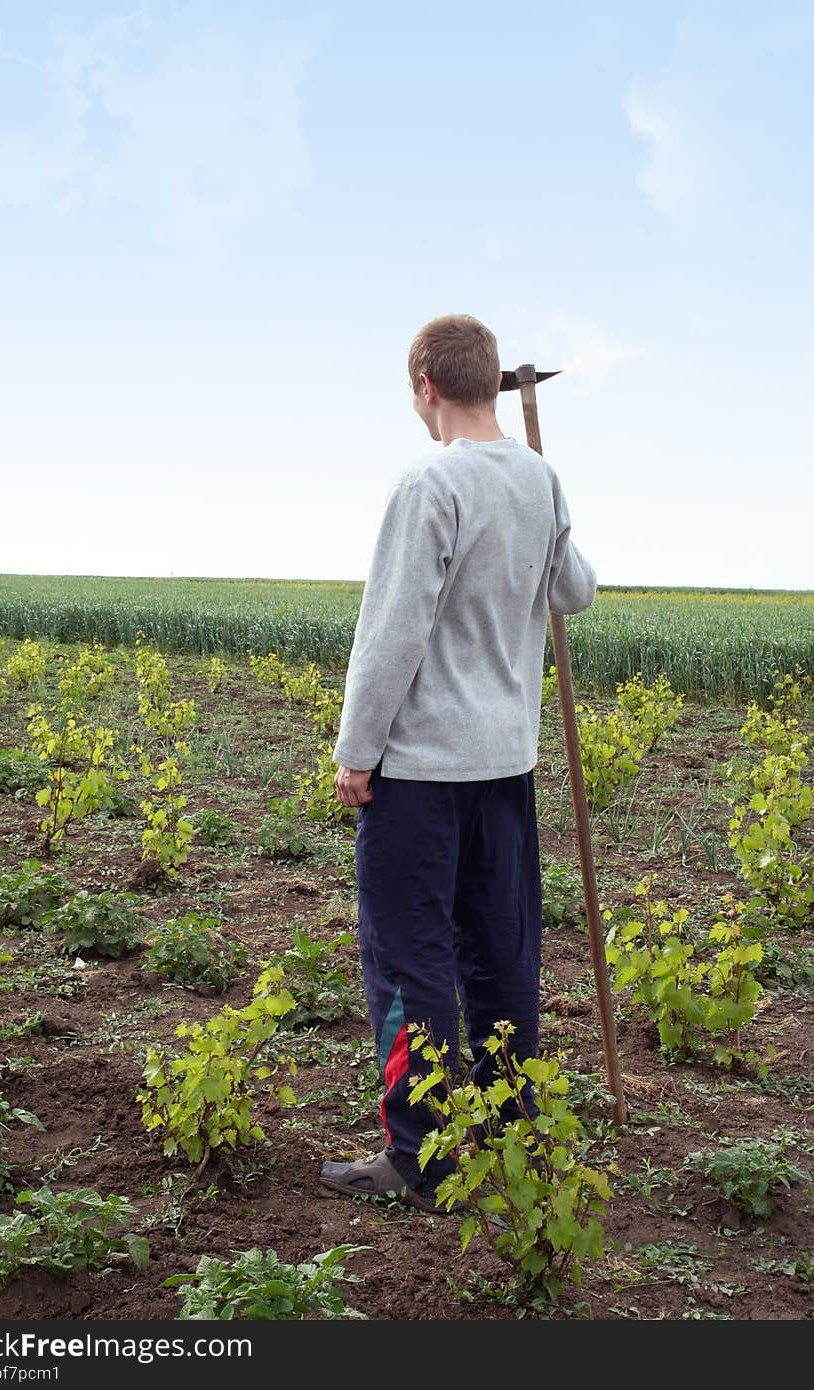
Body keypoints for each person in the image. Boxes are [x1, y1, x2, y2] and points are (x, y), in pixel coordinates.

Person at [319, 313, 597, 1214]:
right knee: (502, 956)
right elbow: (576, 590)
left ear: (428, 388)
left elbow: (391, 630)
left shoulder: (430, 483)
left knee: (409, 962)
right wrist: (544, 513)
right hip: (506, 771)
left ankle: (421, 1156)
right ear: (493, 385)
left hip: (421, 779)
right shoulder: (538, 479)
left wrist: (357, 751)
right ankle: (516, 1136)